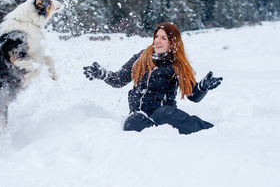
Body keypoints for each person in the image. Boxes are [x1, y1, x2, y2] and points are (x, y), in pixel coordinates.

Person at [83, 22, 223, 134]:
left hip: (163, 112)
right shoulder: (142, 57)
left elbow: (192, 95)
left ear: (172, 42)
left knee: (163, 114)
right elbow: (119, 79)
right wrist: (103, 74)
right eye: (156, 36)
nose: (157, 41)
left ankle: (209, 130)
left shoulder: (176, 64)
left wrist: (202, 87)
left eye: (163, 38)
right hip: (139, 112)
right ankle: (161, 134)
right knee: (132, 122)